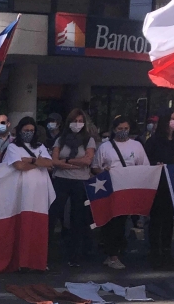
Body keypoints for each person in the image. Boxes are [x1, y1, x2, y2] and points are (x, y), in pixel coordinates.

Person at [92, 116, 148, 270]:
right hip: (110, 188)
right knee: (111, 221)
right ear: (114, 129)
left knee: (122, 221)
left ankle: (115, 251)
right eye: (120, 129)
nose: (123, 131)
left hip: (127, 188)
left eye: (126, 129)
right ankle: (112, 254)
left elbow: (143, 166)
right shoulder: (105, 147)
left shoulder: (136, 146)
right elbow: (95, 167)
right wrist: (104, 172)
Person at [50, 109, 98, 267]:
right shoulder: (60, 139)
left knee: (78, 218)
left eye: (80, 121)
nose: (77, 124)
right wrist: (75, 162)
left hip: (80, 181)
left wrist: (67, 160)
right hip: (61, 180)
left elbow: (87, 161)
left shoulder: (88, 140)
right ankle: (47, 253)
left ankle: (75, 256)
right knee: (53, 214)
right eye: (74, 121)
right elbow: (54, 161)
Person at [145, 109, 174, 268]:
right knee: (156, 219)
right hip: (157, 184)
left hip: (173, 185)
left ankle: (167, 251)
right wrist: (156, 165)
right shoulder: (153, 141)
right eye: (172, 118)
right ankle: (154, 251)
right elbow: (146, 161)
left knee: (169, 219)